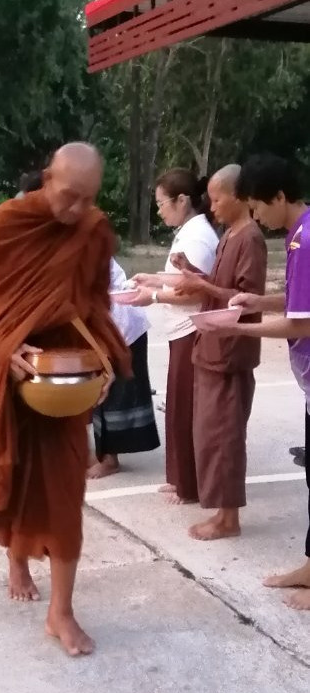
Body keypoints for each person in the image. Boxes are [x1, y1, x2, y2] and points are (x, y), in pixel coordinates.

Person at [0, 143, 130, 656]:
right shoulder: (9, 223)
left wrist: (103, 358)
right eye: (68, 196)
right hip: (13, 371)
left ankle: (61, 611)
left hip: (67, 372)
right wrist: (5, 347)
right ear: (45, 179)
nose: (76, 210)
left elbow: (97, 301)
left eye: (88, 199)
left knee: (63, 489)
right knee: (15, 474)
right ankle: (15, 557)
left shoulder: (93, 230)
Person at [212, 154, 310, 609]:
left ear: (280, 197)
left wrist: (237, 326)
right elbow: (295, 303)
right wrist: (257, 300)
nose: (256, 217)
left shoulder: (306, 240)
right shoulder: (296, 239)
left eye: (257, 206)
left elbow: (300, 325)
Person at [174, 165, 267, 540]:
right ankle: (220, 511)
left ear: (239, 197)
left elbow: (246, 300)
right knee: (211, 435)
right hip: (212, 349)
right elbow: (220, 285)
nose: (211, 207)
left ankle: (229, 518)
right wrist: (194, 273)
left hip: (231, 353)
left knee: (225, 437)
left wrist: (201, 284)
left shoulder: (251, 239)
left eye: (216, 199)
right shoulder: (231, 235)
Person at [131, 169, 219, 504]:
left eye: (161, 203)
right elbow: (178, 279)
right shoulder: (187, 231)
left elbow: (194, 293)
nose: (159, 210)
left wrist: (153, 296)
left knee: (187, 408)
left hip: (191, 328)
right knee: (179, 407)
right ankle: (180, 477)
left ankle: (190, 484)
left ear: (183, 200)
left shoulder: (197, 236)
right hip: (181, 330)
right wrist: (153, 280)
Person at [88, 259, 160, 478]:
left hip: (122, 326)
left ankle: (110, 459)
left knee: (116, 394)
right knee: (100, 391)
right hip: (104, 324)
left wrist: (106, 356)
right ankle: (102, 452)